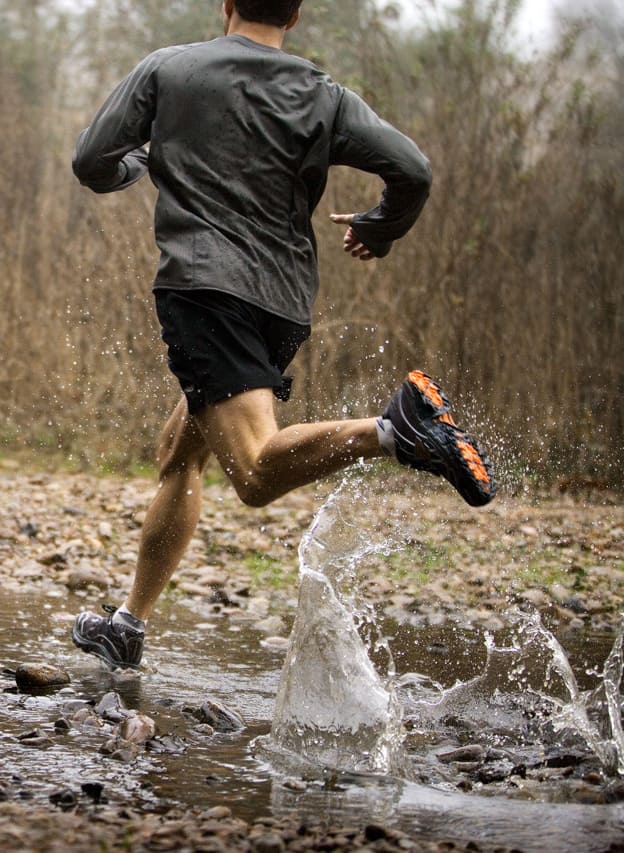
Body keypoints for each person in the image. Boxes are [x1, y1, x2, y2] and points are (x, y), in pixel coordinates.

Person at [69, 0, 495, 670]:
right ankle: (129, 624)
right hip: (284, 306)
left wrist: (139, 165)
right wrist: (380, 227)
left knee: (255, 471)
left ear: (226, 3)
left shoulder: (169, 70)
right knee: (181, 451)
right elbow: (412, 171)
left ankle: (393, 430)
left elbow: (92, 160)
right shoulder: (325, 97)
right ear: (294, 17)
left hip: (205, 292)